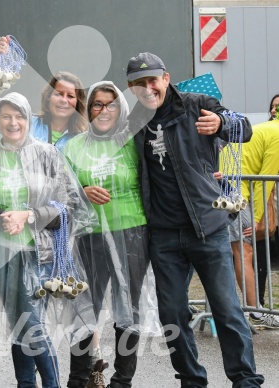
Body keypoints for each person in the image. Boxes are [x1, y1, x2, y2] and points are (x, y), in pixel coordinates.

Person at [126, 52, 264, 387]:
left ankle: (245, 380)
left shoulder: (198, 103)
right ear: (132, 88)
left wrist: (222, 124)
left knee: (227, 310)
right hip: (164, 235)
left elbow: (243, 128)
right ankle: (191, 379)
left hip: (208, 227)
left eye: (153, 80)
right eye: (140, 83)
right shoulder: (131, 123)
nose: (148, 88)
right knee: (171, 314)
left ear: (166, 78)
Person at [0, 92, 97, 388]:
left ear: (29, 119)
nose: (13, 122)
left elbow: (68, 207)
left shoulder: (48, 155)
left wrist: (28, 215)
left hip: (41, 254)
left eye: (19, 116)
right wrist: (2, 217)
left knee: (31, 324)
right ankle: (25, 384)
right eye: (6, 116)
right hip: (1, 257)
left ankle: (49, 384)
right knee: (19, 325)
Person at [63, 81, 158, 388]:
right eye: (97, 104)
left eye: (111, 104)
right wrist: (81, 192)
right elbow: (59, 193)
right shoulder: (74, 146)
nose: (104, 111)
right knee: (83, 310)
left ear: (121, 108)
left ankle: (123, 380)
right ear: (88, 109)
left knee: (126, 311)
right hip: (89, 239)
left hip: (131, 234)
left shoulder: (133, 142)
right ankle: (78, 379)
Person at [0, 36, 88, 149]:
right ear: (48, 97)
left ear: (78, 103)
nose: (63, 100)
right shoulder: (23, 122)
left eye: (70, 96)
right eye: (58, 94)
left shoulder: (82, 140)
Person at [223, 114, 279, 329]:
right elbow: (262, 183)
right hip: (233, 191)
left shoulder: (269, 127)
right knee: (243, 252)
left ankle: (249, 309)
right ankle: (255, 312)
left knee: (234, 252)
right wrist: (256, 218)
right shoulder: (276, 135)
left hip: (228, 186)